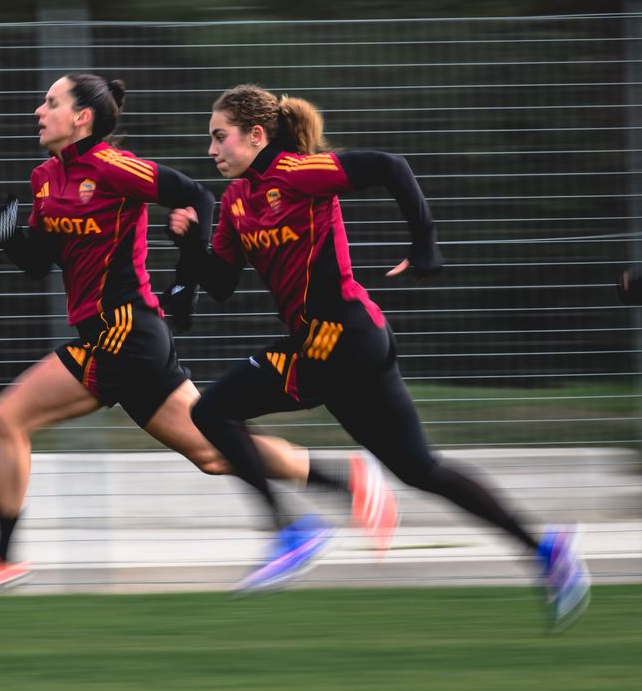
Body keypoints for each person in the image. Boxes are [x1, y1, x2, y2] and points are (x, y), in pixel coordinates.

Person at [0, 74, 393, 597]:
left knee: (7, 417)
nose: (39, 110)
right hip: (120, 340)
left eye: (51, 103)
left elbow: (193, 194)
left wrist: (187, 283)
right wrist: (9, 236)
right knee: (215, 454)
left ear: (82, 118)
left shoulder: (111, 166)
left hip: (126, 334)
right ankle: (349, 482)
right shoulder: (43, 179)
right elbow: (40, 263)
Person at [165, 83, 590, 631]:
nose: (211, 149)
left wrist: (425, 244)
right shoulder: (236, 203)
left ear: (256, 135)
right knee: (419, 469)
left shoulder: (297, 172)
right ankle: (547, 550)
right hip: (348, 344)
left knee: (210, 411)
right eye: (211, 139)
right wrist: (191, 247)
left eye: (219, 136)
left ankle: (291, 533)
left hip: (340, 336)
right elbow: (221, 284)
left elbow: (390, 166)